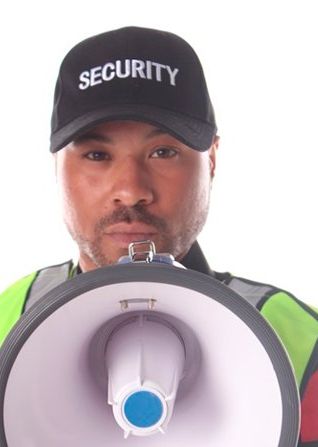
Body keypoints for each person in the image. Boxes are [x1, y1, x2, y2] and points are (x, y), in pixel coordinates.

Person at [0, 26, 317, 445]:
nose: (131, 189)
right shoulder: (8, 324)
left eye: (163, 152)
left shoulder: (304, 346)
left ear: (213, 160)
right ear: (57, 168)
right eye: (97, 155)